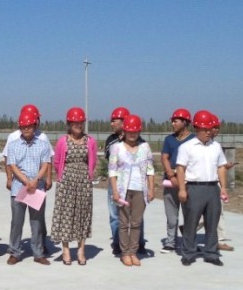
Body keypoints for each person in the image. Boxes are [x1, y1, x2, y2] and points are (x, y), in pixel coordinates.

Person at [176, 110, 229, 267]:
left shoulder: (216, 147)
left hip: (212, 188)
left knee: (212, 222)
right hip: (194, 188)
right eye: (204, 129)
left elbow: (221, 167)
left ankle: (211, 253)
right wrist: (182, 189)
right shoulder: (187, 147)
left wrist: (223, 187)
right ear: (196, 128)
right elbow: (180, 168)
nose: (208, 132)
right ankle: (189, 253)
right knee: (191, 222)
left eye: (210, 129)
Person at [1, 103, 53, 254]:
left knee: (37, 221)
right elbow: (11, 163)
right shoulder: (13, 142)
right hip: (19, 187)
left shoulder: (42, 142)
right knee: (17, 221)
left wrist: (39, 180)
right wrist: (15, 179)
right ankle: (14, 251)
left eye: (29, 125)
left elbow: (46, 162)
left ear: (35, 125)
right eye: (23, 126)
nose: (26, 128)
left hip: (37, 186)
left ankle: (38, 251)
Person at [50, 106, 97, 266]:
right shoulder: (63, 141)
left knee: (82, 215)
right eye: (75, 122)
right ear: (69, 124)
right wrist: (63, 176)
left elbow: (92, 161)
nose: (78, 125)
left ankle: (81, 250)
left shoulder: (90, 141)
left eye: (80, 122)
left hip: (83, 182)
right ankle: (66, 250)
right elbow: (57, 162)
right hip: (66, 182)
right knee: (66, 215)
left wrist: (87, 175)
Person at [108, 115, 155, 267]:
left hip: (140, 189)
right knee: (123, 223)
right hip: (123, 191)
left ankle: (133, 252)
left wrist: (151, 189)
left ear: (139, 131)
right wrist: (115, 191)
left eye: (135, 131)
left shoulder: (145, 147)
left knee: (136, 223)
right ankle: (125, 253)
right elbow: (112, 172)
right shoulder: (117, 148)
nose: (132, 134)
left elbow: (150, 170)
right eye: (129, 131)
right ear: (125, 131)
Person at [160, 108, 194, 254]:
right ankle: (170, 242)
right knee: (171, 215)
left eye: (176, 121)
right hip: (171, 182)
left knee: (190, 215)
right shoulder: (169, 140)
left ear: (185, 122)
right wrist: (171, 176)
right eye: (172, 121)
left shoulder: (194, 140)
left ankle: (188, 243)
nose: (173, 124)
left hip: (188, 182)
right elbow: (164, 157)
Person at [208, 115, 234, 252]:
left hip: (215, 183)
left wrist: (225, 167)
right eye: (214, 127)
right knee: (202, 212)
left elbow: (220, 166)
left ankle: (220, 240)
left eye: (218, 128)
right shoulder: (196, 145)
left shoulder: (216, 146)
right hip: (202, 184)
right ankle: (190, 229)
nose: (216, 130)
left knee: (219, 211)